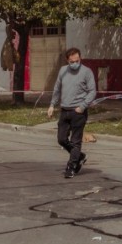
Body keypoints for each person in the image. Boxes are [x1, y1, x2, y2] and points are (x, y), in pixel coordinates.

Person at [47, 48, 96, 178]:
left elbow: (92, 92)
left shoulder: (86, 72)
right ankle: (79, 155)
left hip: (78, 112)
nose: (75, 63)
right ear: (67, 61)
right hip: (64, 110)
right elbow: (57, 89)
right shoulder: (63, 71)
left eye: (77, 61)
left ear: (80, 59)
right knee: (61, 139)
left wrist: (82, 106)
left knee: (75, 141)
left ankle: (72, 166)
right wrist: (52, 105)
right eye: (72, 61)